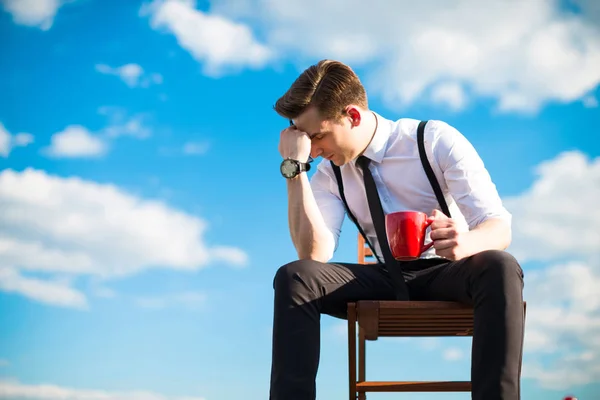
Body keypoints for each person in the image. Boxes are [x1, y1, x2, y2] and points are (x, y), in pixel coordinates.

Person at [271, 59, 525, 400]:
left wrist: (464, 242)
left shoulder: (433, 140)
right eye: (306, 141)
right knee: (296, 276)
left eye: (317, 136)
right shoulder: (330, 173)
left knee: (500, 265)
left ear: (353, 116)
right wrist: (296, 168)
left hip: (447, 272)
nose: (314, 151)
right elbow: (313, 254)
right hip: (384, 278)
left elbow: (498, 226)